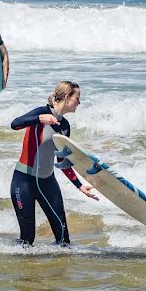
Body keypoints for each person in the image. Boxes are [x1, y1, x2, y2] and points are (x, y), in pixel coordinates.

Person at [9, 81, 99, 246]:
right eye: (77, 98)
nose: (79, 102)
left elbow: (62, 160)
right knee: (27, 240)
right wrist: (39, 118)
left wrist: (79, 185)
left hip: (48, 182)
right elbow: (15, 124)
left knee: (63, 239)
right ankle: (21, 270)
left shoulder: (64, 126)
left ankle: (60, 270)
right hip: (24, 182)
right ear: (66, 97)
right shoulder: (42, 112)